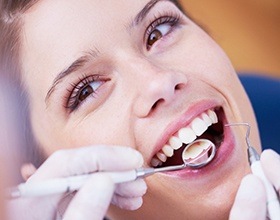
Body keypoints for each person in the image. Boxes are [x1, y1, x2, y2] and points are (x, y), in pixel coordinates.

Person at [0, 0, 279, 219]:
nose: (159, 82)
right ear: (40, 180)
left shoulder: (270, 103)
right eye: (87, 90)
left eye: (159, 30)